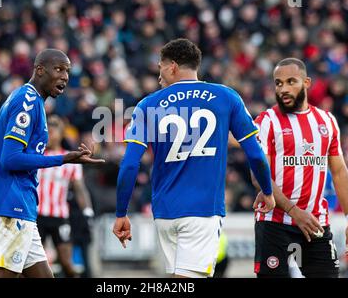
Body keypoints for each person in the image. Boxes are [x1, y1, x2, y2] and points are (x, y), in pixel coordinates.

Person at [112, 38, 275, 278]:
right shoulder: (227, 97)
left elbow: (129, 165)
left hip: (165, 213)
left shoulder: (147, 105)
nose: (158, 76)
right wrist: (267, 190)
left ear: (173, 67)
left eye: (160, 68)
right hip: (202, 211)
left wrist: (121, 213)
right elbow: (255, 154)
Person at [0, 49, 104, 278]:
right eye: (59, 69)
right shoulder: (27, 101)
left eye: (67, 71)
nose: (65, 76)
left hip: (19, 204)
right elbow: (10, 158)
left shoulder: (29, 100)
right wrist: (62, 159)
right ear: (39, 70)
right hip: (12, 205)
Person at [252, 57, 348, 278]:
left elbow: (339, 171)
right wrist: (293, 211)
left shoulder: (327, 121)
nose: (283, 88)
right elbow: (258, 173)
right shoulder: (267, 121)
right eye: (278, 83)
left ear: (307, 83)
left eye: (291, 81)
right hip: (275, 224)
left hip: (316, 224)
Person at [37, 114, 94, 278]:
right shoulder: (37, 155)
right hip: (37, 216)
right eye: (47, 131)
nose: (49, 135)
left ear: (61, 134)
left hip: (60, 216)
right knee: (31, 262)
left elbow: (79, 188)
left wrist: (87, 211)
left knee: (66, 263)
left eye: (52, 131)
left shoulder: (70, 158)